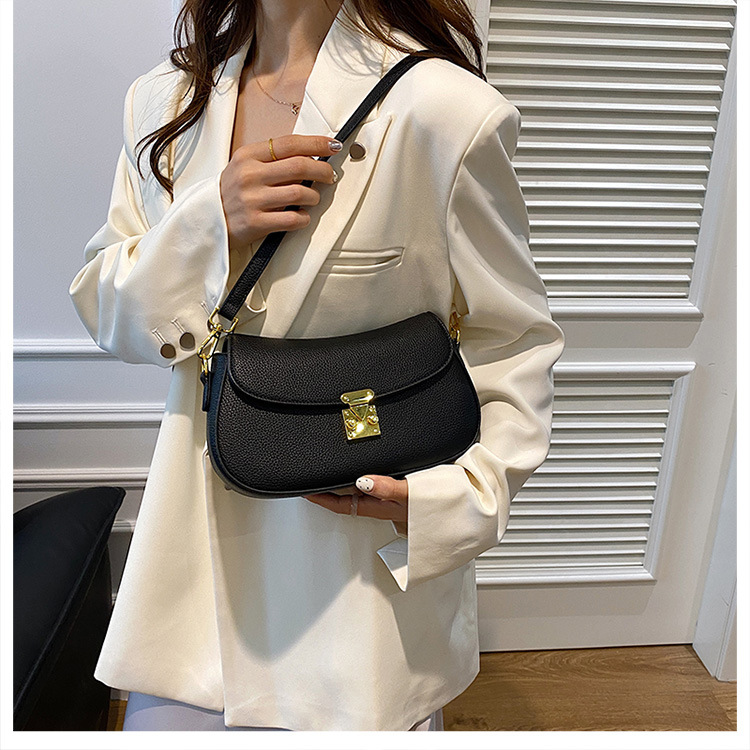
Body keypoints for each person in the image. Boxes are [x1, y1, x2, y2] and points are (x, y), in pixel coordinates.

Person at [69, 0, 565, 732]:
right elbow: (106, 305)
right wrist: (211, 226)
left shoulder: (443, 112)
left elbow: (514, 339)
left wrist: (455, 498)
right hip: (191, 588)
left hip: (357, 588)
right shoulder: (164, 103)